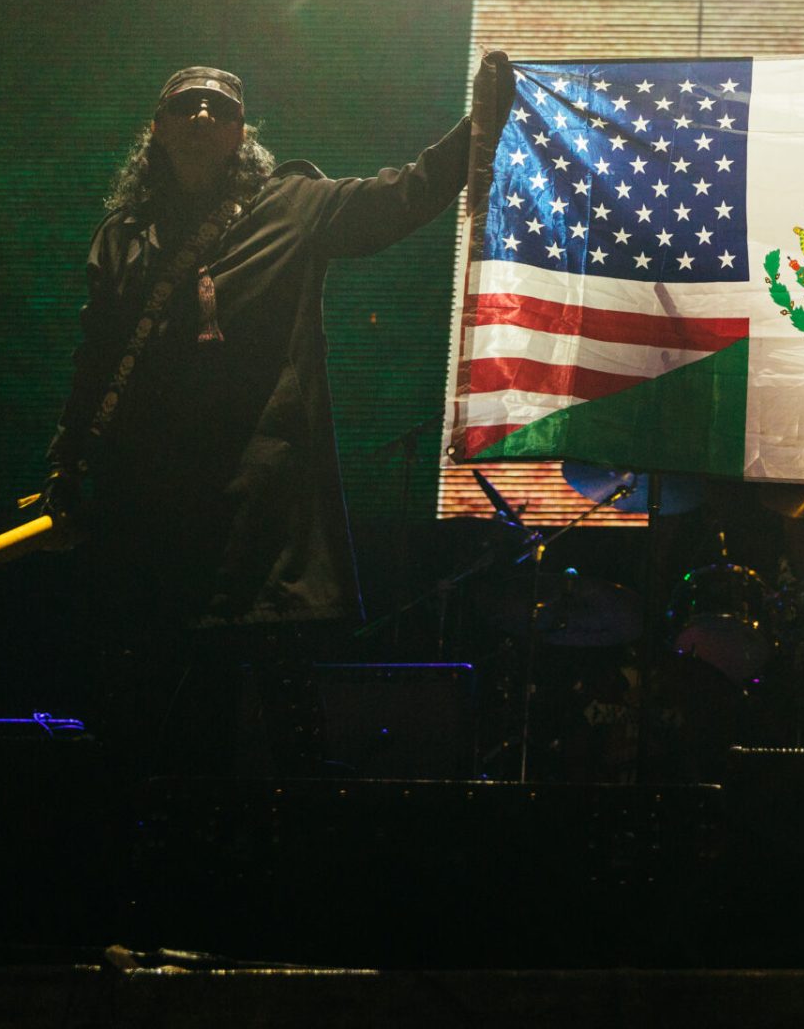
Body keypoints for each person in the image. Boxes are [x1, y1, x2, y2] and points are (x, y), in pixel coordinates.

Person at [40, 60, 507, 779]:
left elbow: (403, 196)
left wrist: (480, 128)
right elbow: (95, 362)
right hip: (157, 519)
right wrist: (66, 463)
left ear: (238, 134)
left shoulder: (292, 204)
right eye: (186, 106)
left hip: (261, 518)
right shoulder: (122, 237)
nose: (202, 118)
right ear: (157, 130)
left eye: (218, 110)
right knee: (159, 728)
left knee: (282, 719)